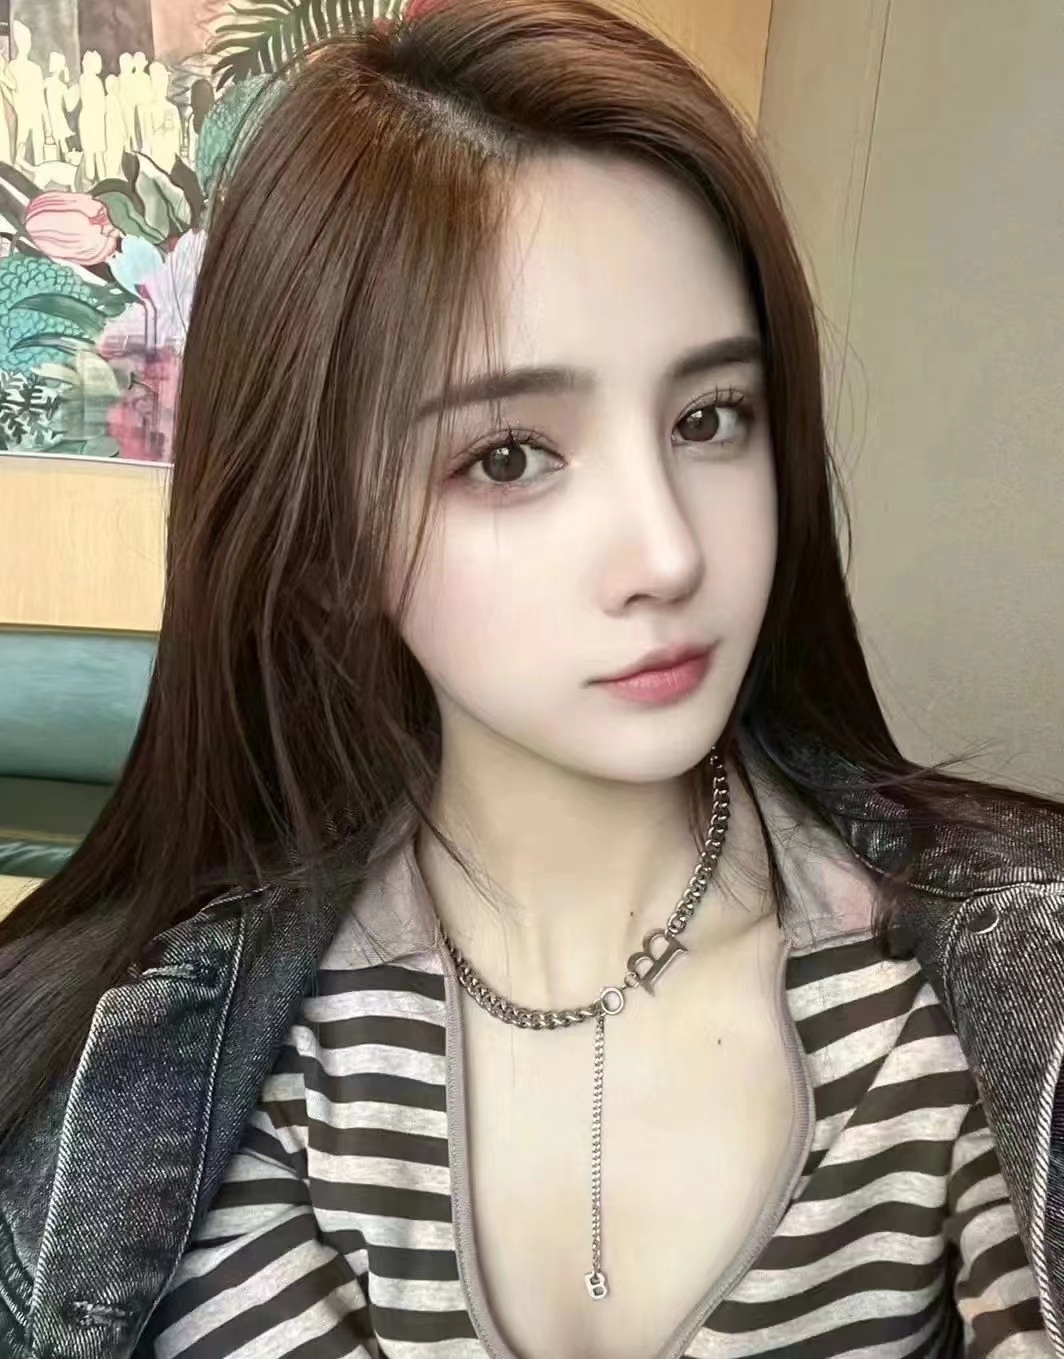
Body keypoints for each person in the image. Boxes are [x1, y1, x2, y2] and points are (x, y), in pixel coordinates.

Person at [1, 1, 1062, 1356]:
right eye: (509, 457)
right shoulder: (131, 1078)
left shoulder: (981, 1014)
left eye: (710, 418)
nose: (668, 553)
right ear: (327, 542)